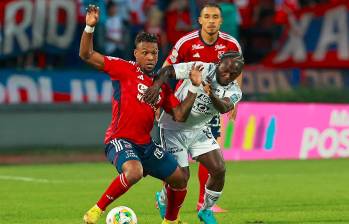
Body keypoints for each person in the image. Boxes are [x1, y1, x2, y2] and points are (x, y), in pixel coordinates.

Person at [79, 5, 203, 224]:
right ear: (135, 54)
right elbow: (86, 55)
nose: (150, 57)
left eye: (154, 53)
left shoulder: (160, 86)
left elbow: (180, 115)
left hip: (145, 146)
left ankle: (171, 221)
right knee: (134, 172)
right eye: (145, 52)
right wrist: (90, 27)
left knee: (180, 178)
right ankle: (95, 211)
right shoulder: (123, 69)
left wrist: (194, 88)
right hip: (119, 140)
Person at [155, 2, 243, 215]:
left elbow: (238, 71)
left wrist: (234, 101)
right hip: (185, 103)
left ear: (221, 21)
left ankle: (203, 202)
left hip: (210, 107)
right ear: (200, 20)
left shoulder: (231, 44)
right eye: (207, 17)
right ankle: (166, 194)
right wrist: (162, 99)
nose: (211, 21)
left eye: (215, 17)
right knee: (180, 171)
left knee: (211, 155)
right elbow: (168, 65)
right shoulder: (187, 42)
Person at [144, 50, 244, 224]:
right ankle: (163, 199)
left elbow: (224, 108)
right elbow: (168, 71)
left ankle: (205, 210)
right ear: (218, 62)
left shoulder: (235, 90)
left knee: (219, 170)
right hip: (173, 129)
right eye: (225, 70)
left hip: (199, 130)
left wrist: (211, 93)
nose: (227, 76)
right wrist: (156, 86)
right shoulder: (200, 68)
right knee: (182, 178)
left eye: (233, 74)